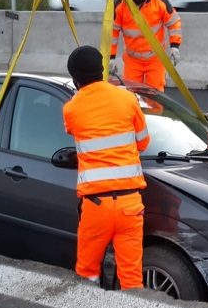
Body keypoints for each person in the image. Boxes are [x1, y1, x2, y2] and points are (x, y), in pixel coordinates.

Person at [62, 45, 150, 289]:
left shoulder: (71, 109)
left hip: (96, 205)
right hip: (130, 204)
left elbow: (73, 131)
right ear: (102, 70)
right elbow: (143, 142)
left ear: (75, 78)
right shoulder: (127, 98)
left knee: (87, 272)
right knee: (132, 277)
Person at [109, 0, 182, 91]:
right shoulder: (119, 5)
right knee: (131, 95)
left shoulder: (158, 0)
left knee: (155, 94)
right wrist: (111, 58)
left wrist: (175, 46)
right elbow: (112, 33)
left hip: (155, 59)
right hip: (132, 60)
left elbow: (174, 22)